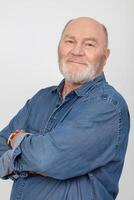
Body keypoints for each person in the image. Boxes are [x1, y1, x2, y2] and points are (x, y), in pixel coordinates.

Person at [0, 17, 130, 200]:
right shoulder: (41, 99)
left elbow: (47, 160)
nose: (77, 51)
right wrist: (36, 157)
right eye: (70, 41)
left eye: (89, 44)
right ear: (59, 47)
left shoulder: (108, 105)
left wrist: (16, 139)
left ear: (105, 56)